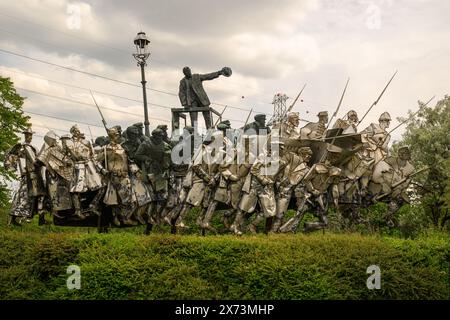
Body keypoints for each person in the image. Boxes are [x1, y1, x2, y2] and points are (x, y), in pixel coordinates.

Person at [4, 127, 46, 225]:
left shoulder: (34, 148)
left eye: (30, 135)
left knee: (37, 196)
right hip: (27, 175)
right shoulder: (22, 147)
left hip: (35, 174)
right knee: (23, 196)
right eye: (27, 135)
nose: (29, 136)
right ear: (25, 135)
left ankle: (36, 217)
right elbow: (31, 161)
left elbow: (38, 158)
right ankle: (13, 218)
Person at [65, 125, 105, 219]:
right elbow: (65, 156)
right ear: (73, 132)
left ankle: (93, 205)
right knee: (76, 190)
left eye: (79, 131)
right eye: (77, 131)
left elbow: (93, 157)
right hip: (77, 167)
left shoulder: (87, 142)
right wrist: (68, 162)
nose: (79, 132)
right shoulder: (68, 143)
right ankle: (78, 211)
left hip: (90, 167)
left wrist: (101, 169)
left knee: (102, 186)